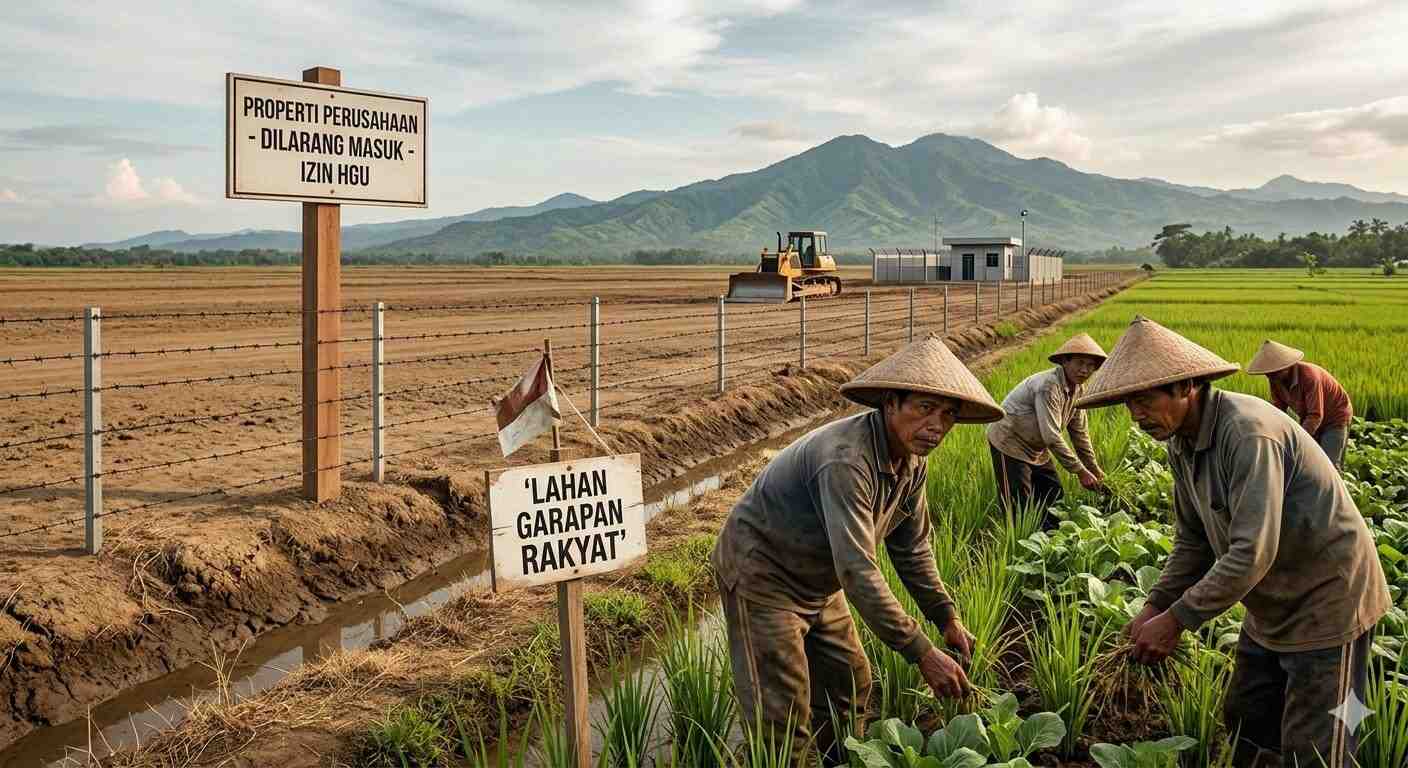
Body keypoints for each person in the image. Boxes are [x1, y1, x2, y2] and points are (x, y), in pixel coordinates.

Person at [1075, 316, 1388, 768]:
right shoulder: (1180, 441)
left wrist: (1177, 620)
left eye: (1143, 401)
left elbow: (1250, 551)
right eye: (1128, 404)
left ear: (1187, 387)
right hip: (1271, 605)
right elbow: (1193, 542)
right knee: (1247, 717)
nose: (1136, 415)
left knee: (1321, 744)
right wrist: (1154, 605)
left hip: (1330, 603)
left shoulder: (1247, 434)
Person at [710, 334, 1004, 765]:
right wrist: (922, 653)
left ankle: (840, 759)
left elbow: (913, 548)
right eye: (924, 408)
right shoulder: (847, 460)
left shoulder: (911, 463)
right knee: (782, 716)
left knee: (850, 681)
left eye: (948, 415)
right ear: (890, 403)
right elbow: (858, 571)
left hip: (818, 579)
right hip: (765, 576)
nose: (937, 425)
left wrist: (946, 617)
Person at [986, 333, 1107, 524]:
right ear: (1065, 362)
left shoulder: (1078, 390)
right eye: (1080, 363)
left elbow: (1079, 433)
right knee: (1018, 504)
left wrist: (1094, 469)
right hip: (1010, 442)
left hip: (1036, 448)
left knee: (1053, 493)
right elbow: (1051, 436)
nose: (1085, 370)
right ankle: (1018, 543)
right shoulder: (1048, 386)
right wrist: (1080, 471)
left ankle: (1049, 540)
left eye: (1091, 365)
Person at [1246, 339, 1354, 469]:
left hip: (1335, 418)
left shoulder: (1310, 377)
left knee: (1329, 465)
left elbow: (1315, 415)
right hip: (1309, 417)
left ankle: (1336, 488)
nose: (1270, 377)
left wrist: (1297, 440)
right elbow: (1278, 408)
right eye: (1268, 374)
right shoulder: (1275, 380)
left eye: (1273, 373)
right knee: (1310, 463)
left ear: (1285, 367)